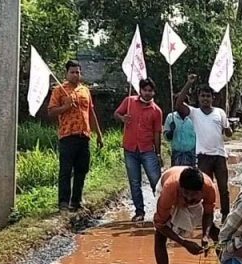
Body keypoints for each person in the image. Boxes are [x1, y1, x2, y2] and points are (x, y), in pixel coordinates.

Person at [46, 60, 104, 212]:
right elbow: (51, 112)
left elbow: (91, 113)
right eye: (72, 72)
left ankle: (76, 201)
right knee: (66, 170)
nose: (75, 75)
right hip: (67, 135)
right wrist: (65, 107)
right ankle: (63, 202)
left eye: (77, 72)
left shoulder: (85, 90)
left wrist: (99, 134)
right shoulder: (59, 90)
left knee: (82, 169)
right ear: (66, 73)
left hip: (84, 135)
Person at [176, 74, 233, 221]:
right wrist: (188, 83)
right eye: (202, 96)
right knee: (205, 188)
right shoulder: (194, 113)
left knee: (223, 188)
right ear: (198, 98)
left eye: (208, 96)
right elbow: (178, 103)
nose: (205, 98)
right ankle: (207, 215)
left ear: (212, 98)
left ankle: (226, 215)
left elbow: (228, 132)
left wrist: (228, 129)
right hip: (203, 156)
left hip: (220, 155)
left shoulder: (220, 112)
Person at [153, 166, 219, 264]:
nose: (189, 198)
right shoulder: (169, 190)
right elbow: (160, 224)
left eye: (193, 195)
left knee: (214, 231)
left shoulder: (209, 188)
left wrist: (205, 235)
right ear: (180, 188)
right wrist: (184, 243)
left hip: (186, 195)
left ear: (201, 192)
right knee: (159, 236)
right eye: (186, 193)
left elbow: (208, 213)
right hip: (170, 193)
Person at [114, 78, 164, 222]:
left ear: (153, 92)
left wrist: (158, 153)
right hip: (130, 148)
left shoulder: (156, 111)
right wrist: (123, 118)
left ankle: (163, 211)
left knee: (156, 182)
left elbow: (157, 133)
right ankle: (139, 212)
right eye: (145, 90)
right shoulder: (129, 102)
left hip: (148, 149)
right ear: (140, 90)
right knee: (134, 182)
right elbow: (116, 113)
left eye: (150, 91)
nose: (147, 93)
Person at [164, 97, 197, 167]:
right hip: (176, 154)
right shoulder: (170, 117)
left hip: (191, 154)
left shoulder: (193, 117)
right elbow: (166, 138)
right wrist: (171, 131)